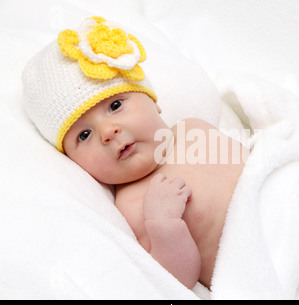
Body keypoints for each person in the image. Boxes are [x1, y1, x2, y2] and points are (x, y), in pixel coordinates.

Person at [22, 16, 247, 289]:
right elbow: (176, 281)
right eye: (84, 135)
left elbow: (254, 165)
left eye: (116, 105)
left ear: (153, 102)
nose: (108, 132)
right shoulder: (133, 204)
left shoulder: (193, 129)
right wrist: (163, 224)